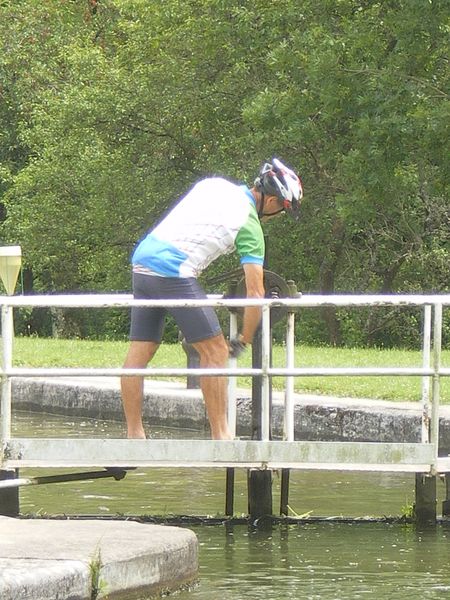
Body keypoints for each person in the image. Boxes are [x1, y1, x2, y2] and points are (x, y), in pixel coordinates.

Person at [121, 158, 303, 440]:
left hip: (143, 262)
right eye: (282, 210)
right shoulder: (249, 224)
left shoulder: (215, 185)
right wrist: (244, 339)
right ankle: (222, 436)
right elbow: (256, 293)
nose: (277, 215)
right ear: (271, 201)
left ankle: (135, 436)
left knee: (140, 352)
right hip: (173, 270)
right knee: (216, 352)